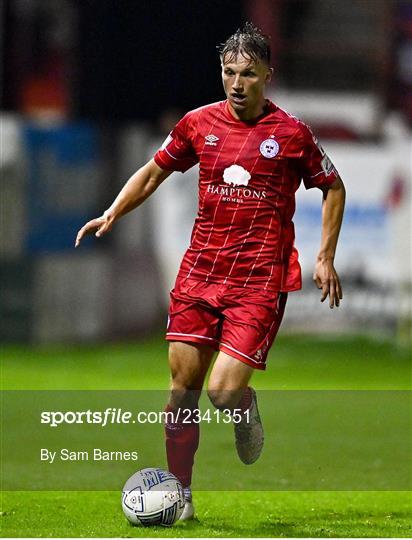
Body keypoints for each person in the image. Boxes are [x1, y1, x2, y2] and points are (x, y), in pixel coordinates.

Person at [76, 22, 345, 520]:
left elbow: (333, 187)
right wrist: (114, 210)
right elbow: (155, 169)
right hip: (201, 273)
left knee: (222, 393)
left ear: (268, 73)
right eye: (228, 72)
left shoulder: (291, 134)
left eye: (247, 73)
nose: (237, 83)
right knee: (181, 392)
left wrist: (325, 255)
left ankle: (244, 406)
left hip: (259, 280)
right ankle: (181, 499)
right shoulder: (199, 123)